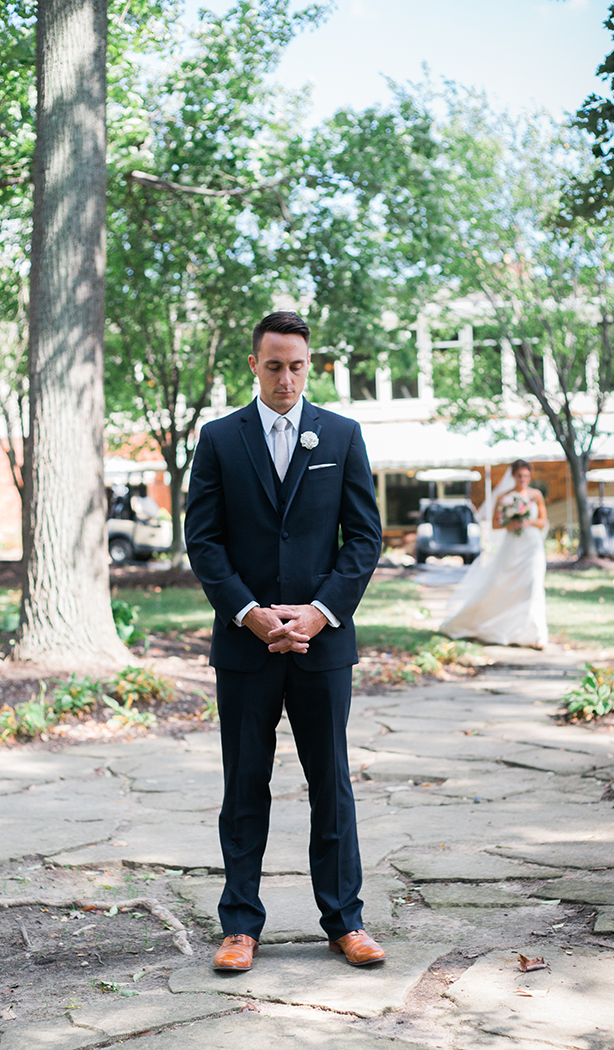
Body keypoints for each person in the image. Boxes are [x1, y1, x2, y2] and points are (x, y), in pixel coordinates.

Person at [184, 311, 385, 972]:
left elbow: (363, 539)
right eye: (274, 365)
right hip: (246, 646)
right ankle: (240, 926)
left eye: (297, 365)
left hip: (322, 646)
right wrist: (248, 612)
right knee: (245, 784)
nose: (286, 378)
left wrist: (322, 612)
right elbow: (204, 540)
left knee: (332, 783)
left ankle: (345, 922)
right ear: (253, 364)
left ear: (310, 365)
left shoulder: (343, 435)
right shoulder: (218, 439)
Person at [440, 459, 548, 649]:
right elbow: (495, 524)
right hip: (513, 545)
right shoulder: (505, 497)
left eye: (526, 476)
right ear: (513, 476)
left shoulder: (535, 495)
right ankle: (499, 626)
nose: (523, 479)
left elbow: (542, 521)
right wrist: (511, 522)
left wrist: (528, 522)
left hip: (532, 545)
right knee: (503, 584)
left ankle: (535, 634)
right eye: (519, 475)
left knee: (533, 585)